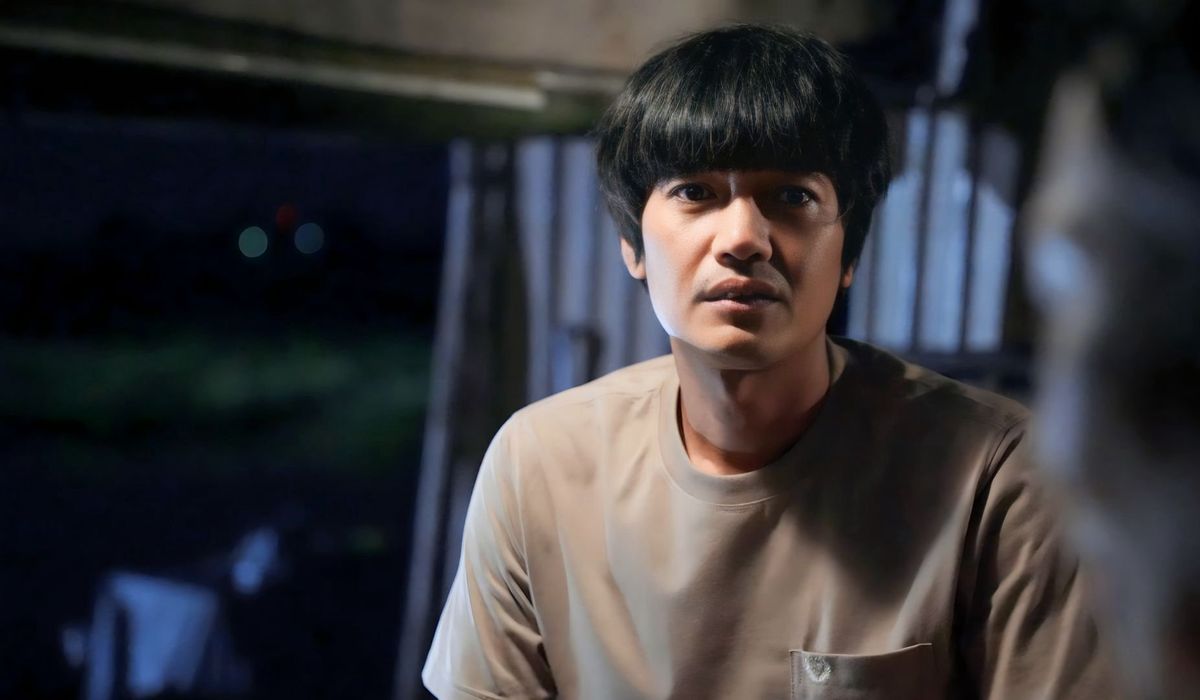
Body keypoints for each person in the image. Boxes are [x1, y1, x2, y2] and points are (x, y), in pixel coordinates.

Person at [423, 25, 1114, 699]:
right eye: (695, 192)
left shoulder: (997, 476)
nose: (743, 238)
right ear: (633, 245)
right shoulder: (539, 464)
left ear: (848, 252)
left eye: (791, 197)